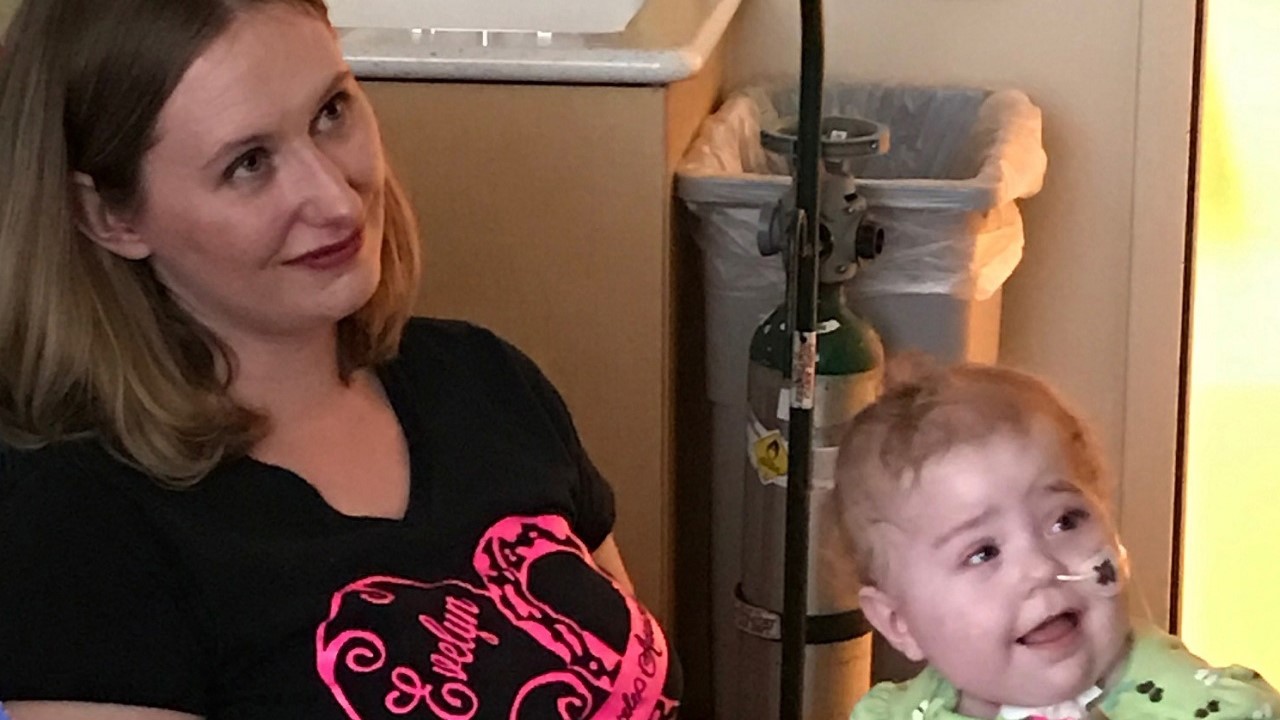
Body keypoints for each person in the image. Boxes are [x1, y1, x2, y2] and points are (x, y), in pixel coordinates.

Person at [0, 0, 680, 718]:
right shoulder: (74, 529)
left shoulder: (486, 379)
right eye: (249, 164)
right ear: (110, 216)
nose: (335, 199)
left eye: (331, 112)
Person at [832, 356, 1277, 720]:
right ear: (899, 623)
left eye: (1066, 521)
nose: (1040, 567)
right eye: (983, 553)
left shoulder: (1218, 711)